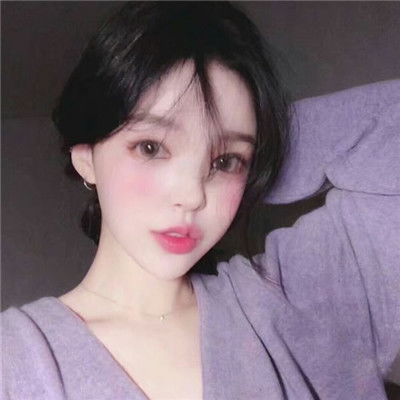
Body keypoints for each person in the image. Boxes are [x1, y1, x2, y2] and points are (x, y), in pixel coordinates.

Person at [1, 2, 399, 399]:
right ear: (86, 157)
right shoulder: (17, 360)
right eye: (151, 147)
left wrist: (269, 151)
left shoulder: (293, 301)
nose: (192, 195)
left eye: (226, 161)